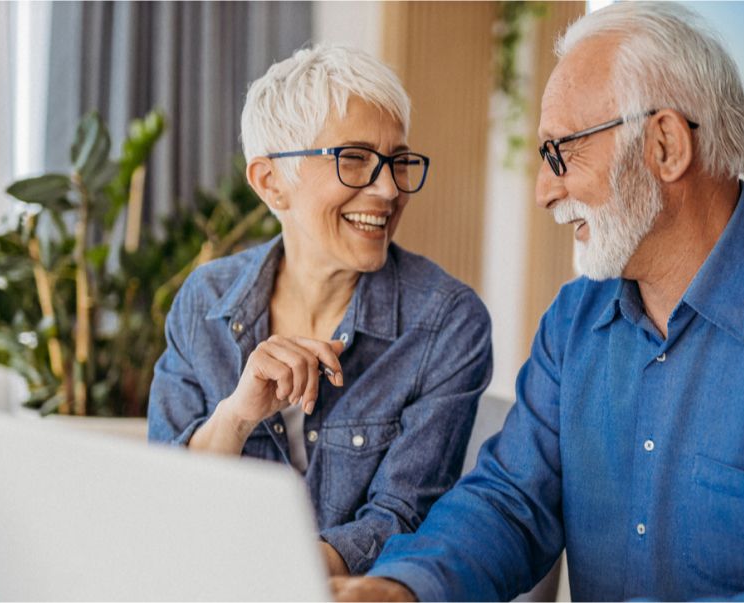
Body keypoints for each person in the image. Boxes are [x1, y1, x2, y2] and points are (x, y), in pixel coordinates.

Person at [332, 3, 744, 601]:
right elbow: (509, 504)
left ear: (665, 144)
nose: (544, 190)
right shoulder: (574, 320)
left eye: (562, 151)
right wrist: (401, 589)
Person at [147, 44, 492, 578]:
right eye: (353, 159)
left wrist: (270, 578)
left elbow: (401, 520)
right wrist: (237, 415)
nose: (387, 190)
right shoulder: (204, 302)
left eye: (397, 161)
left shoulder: (447, 321)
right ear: (270, 182)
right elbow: (163, 507)